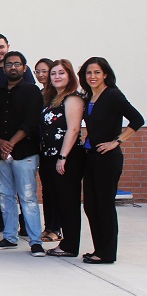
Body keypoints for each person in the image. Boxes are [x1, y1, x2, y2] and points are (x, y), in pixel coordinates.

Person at [78, 57, 143, 264]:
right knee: (90, 205)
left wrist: (117, 141)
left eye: (97, 72)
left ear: (105, 74)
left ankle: (106, 254)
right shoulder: (89, 97)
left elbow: (137, 119)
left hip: (108, 158)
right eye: (89, 73)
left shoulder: (113, 95)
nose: (92, 76)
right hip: (91, 157)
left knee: (104, 205)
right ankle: (99, 249)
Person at [0, 51, 45, 257]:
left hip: (24, 152)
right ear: (4, 69)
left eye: (17, 64)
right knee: (5, 196)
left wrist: (10, 143)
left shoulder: (32, 92)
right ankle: (10, 237)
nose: (12, 67)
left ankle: (35, 241)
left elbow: (31, 121)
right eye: (9, 64)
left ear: (24, 68)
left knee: (28, 197)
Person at [0, 34, 36, 234]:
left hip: (23, 144)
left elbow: (31, 113)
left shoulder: (27, 81)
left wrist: (11, 142)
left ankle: (28, 230)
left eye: (1, 47)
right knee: (4, 192)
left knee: (26, 193)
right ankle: (5, 226)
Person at [40, 59, 86, 257]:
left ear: (70, 76)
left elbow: (73, 129)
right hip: (50, 156)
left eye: (61, 73)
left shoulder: (72, 98)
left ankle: (70, 245)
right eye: (53, 74)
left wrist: (63, 156)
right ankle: (65, 243)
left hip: (67, 157)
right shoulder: (54, 98)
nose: (56, 77)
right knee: (58, 199)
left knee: (68, 201)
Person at [33, 57, 62, 243]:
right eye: (38, 71)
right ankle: (49, 226)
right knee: (47, 190)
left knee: (58, 190)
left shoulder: (60, 95)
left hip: (59, 151)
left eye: (45, 71)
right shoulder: (40, 93)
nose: (41, 75)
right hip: (43, 150)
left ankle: (57, 229)